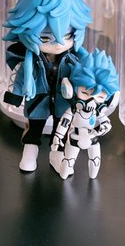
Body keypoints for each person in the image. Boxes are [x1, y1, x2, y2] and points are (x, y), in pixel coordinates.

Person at [3, 0, 92, 172]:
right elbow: (20, 78)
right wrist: (14, 96)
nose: (58, 44)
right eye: (44, 38)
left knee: (61, 129)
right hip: (37, 99)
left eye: (67, 36)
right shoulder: (30, 61)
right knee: (34, 128)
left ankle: (57, 153)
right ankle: (30, 151)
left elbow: (84, 79)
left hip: (64, 102)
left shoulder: (75, 60)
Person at [50, 49, 120, 179]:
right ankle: (64, 174)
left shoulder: (97, 111)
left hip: (92, 138)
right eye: (85, 93)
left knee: (95, 161)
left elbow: (106, 124)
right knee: (68, 163)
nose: (92, 101)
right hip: (74, 138)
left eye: (100, 97)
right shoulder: (74, 109)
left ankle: (92, 176)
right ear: (71, 89)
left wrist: (99, 130)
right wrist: (58, 137)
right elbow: (64, 122)